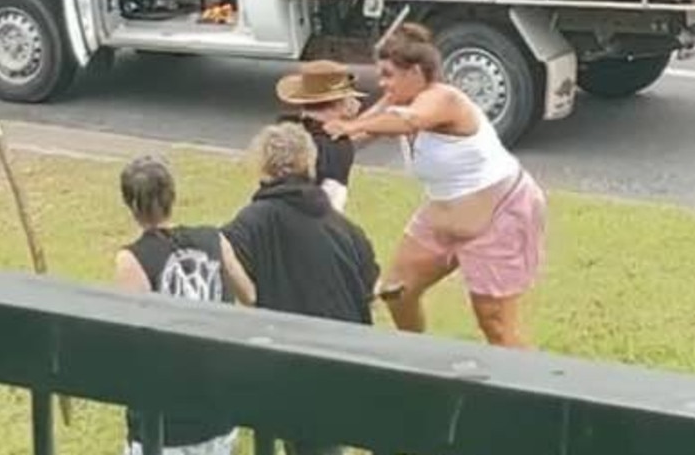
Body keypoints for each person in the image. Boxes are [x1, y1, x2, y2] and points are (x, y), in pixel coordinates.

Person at [323, 23, 547, 348]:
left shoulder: (444, 99)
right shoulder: (394, 100)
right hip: (440, 220)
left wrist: (349, 124)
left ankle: (531, 391)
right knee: (396, 292)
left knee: (495, 323)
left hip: (500, 218)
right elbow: (358, 137)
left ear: (415, 72)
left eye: (388, 74)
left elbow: (408, 121)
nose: (382, 83)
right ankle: (418, 359)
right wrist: (316, 143)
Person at [221, 123, 379, 455]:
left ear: (264, 166)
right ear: (309, 163)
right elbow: (371, 290)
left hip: (292, 369)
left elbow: (222, 250)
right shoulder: (347, 230)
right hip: (348, 367)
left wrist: (252, 296)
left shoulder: (255, 220)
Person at [112, 155, 256, 455]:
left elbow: (130, 336)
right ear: (172, 196)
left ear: (131, 205)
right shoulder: (214, 239)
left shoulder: (132, 259)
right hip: (218, 409)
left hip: (165, 423)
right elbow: (249, 295)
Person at [274, 60, 366, 213]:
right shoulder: (335, 148)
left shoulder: (283, 134)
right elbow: (331, 205)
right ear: (339, 103)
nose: (356, 102)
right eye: (349, 96)